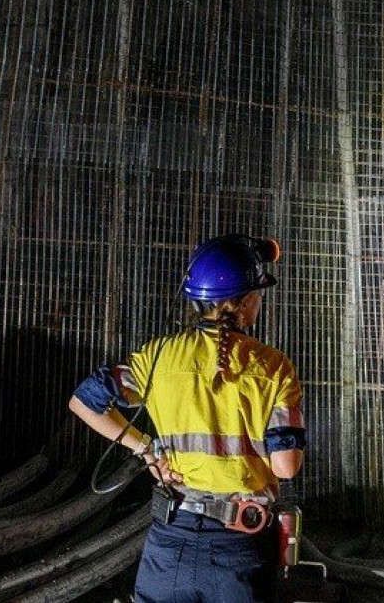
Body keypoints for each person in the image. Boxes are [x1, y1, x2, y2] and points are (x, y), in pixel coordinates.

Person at [68, 234, 306, 603]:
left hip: (169, 545)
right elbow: (286, 466)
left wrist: (146, 449)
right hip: (237, 550)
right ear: (243, 303)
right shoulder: (274, 368)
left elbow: (84, 402)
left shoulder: (160, 356)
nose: (260, 302)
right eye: (257, 294)